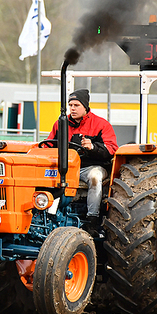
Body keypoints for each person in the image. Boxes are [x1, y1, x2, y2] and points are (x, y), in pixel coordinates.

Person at [45, 89, 118, 233]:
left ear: (85, 107)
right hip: (67, 167)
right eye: (70, 105)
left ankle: (93, 219)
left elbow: (111, 149)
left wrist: (92, 147)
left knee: (95, 177)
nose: (72, 108)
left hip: (91, 166)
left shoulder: (101, 125)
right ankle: (48, 215)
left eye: (76, 105)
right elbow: (49, 144)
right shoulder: (60, 124)